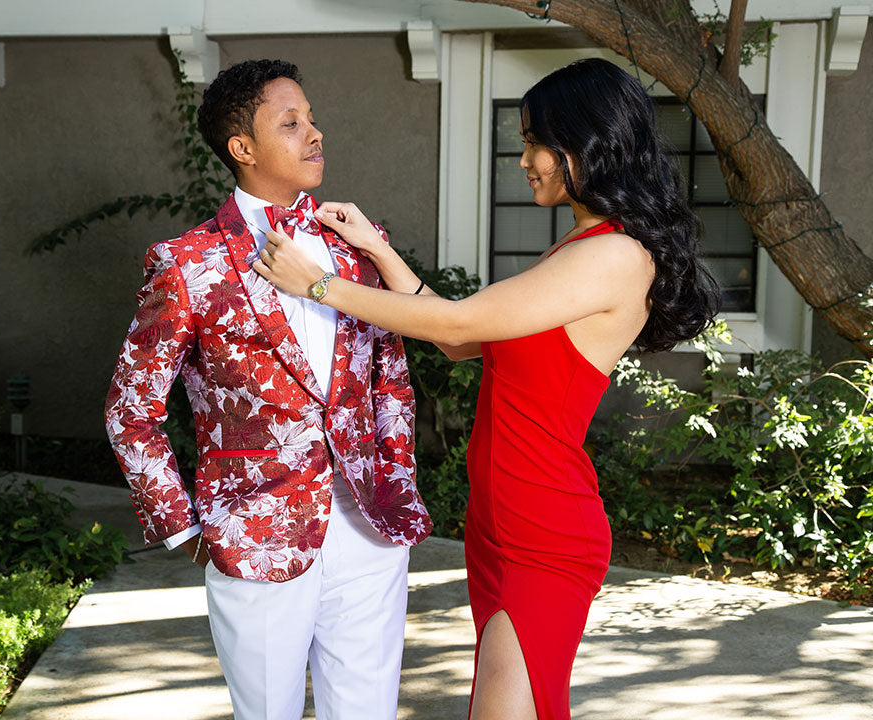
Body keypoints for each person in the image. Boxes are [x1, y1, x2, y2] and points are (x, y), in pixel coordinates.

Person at [253, 57, 721, 720]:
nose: (524, 158)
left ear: (584, 147)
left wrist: (320, 285)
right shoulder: (578, 248)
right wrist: (379, 253)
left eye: (536, 143)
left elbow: (459, 318)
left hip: (546, 532)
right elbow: (460, 341)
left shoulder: (615, 254)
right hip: (497, 526)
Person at [104, 58, 431, 720]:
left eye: (313, 120)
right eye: (291, 123)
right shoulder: (187, 264)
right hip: (252, 534)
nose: (314, 135)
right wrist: (185, 529)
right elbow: (130, 410)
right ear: (243, 148)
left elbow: (389, 383)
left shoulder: (356, 248)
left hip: (370, 525)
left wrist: (397, 479)